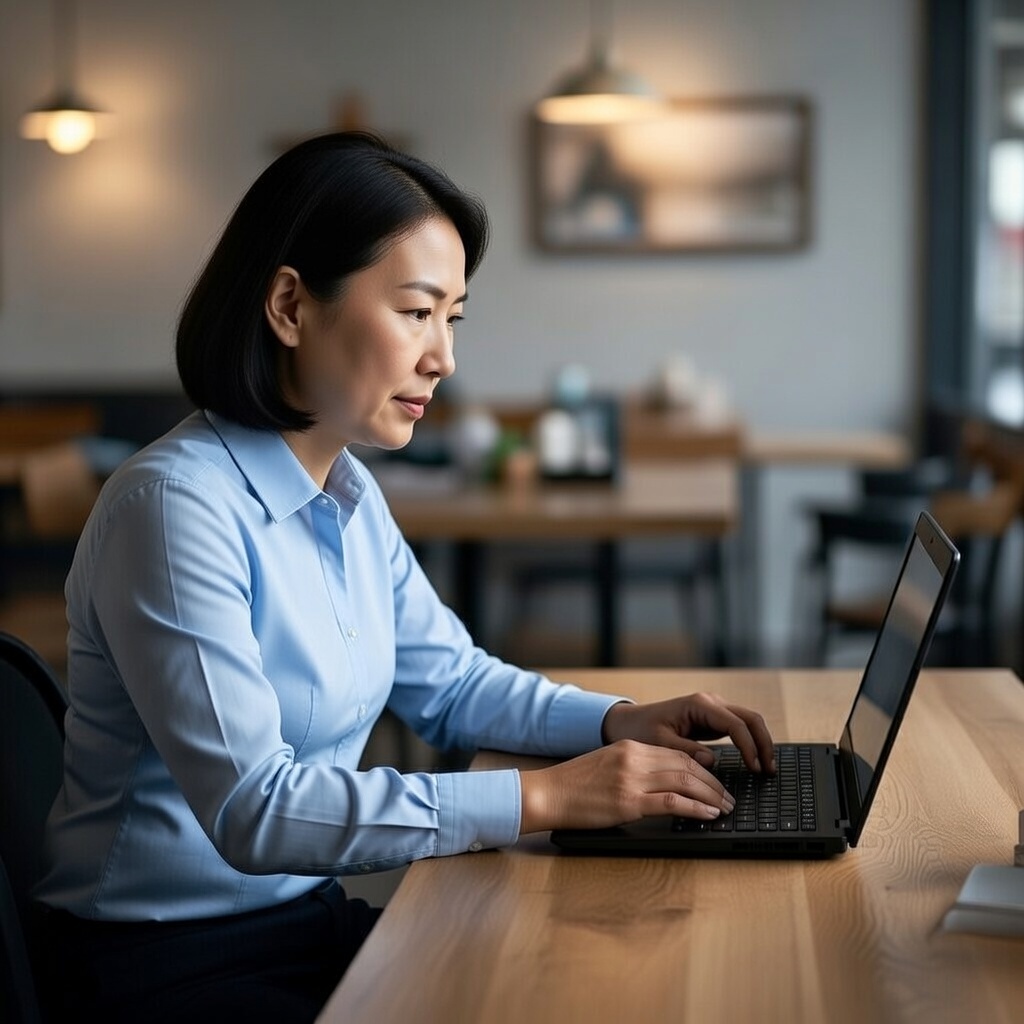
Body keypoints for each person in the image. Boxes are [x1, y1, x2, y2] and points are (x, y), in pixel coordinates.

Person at [33, 131, 775, 1022]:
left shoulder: (347, 490)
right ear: (289, 306)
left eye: (451, 319)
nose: (443, 359)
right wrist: (545, 796)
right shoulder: (172, 508)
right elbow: (253, 810)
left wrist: (616, 718)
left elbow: (452, 686)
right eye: (416, 312)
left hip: (296, 918)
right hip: (159, 964)